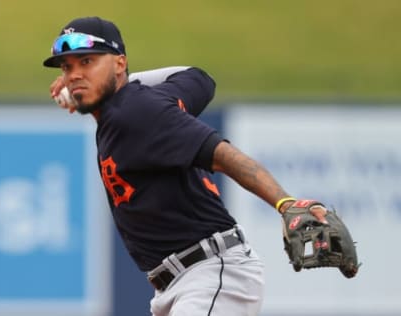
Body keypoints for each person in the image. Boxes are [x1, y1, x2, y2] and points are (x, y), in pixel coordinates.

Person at [43, 16, 327, 316]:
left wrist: (285, 204)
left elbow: (223, 154)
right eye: (67, 67)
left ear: (119, 63)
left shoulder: (138, 112)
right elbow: (197, 77)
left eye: (86, 61)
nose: (74, 75)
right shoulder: (142, 102)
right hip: (185, 282)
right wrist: (103, 81)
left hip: (211, 274)